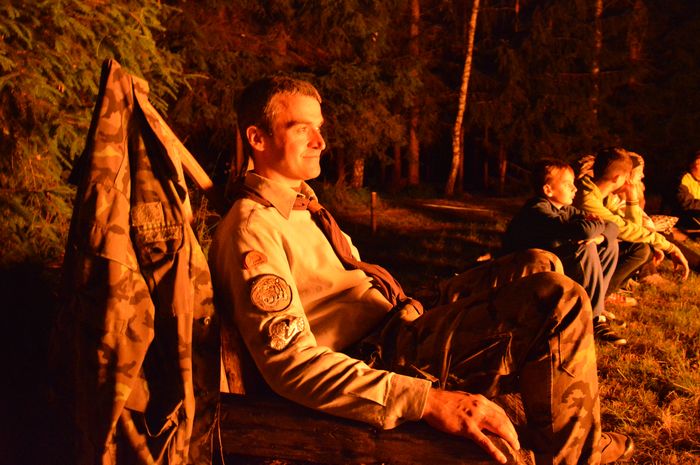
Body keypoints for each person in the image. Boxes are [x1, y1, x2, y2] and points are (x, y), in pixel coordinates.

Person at [209, 76, 633, 464]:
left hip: (399, 318)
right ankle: (576, 456)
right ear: (257, 138)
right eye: (302, 128)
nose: (320, 141)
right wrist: (425, 399)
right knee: (558, 299)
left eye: (319, 127)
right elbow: (291, 364)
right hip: (379, 353)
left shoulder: (304, 205)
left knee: (540, 262)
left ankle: (568, 434)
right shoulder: (253, 228)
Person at [503, 159, 626, 346]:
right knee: (585, 247)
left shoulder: (565, 209)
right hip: (526, 273)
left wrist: (600, 236)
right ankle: (590, 319)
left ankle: (596, 310)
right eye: (568, 184)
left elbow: (613, 227)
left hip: (554, 265)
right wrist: (594, 227)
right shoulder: (538, 210)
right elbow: (584, 231)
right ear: (548, 190)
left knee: (610, 244)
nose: (575, 189)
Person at [574, 147, 690, 292]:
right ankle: (598, 295)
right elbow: (625, 229)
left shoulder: (602, 195)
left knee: (641, 247)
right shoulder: (587, 199)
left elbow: (634, 229)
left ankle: (605, 290)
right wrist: (670, 248)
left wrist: (631, 197)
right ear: (617, 178)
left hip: (592, 248)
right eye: (626, 176)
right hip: (577, 252)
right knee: (640, 250)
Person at [676, 150, 700, 230]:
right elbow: (685, 203)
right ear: (691, 165)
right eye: (698, 164)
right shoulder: (684, 178)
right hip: (682, 222)